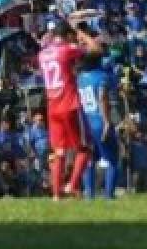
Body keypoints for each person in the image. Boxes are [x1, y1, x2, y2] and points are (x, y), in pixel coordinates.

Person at [37, 19, 101, 200]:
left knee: (59, 152)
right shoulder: (66, 50)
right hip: (70, 103)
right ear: (66, 36)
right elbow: (95, 50)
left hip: (52, 106)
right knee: (85, 147)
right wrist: (82, 34)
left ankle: (56, 195)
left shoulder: (42, 54)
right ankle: (72, 185)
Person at [77, 55, 119, 200]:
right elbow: (102, 96)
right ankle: (109, 195)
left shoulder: (80, 79)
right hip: (99, 121)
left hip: (85, 122)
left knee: (89, 159)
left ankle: (89, 195)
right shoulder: (102, 76)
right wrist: (107, 121)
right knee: (112, 159)